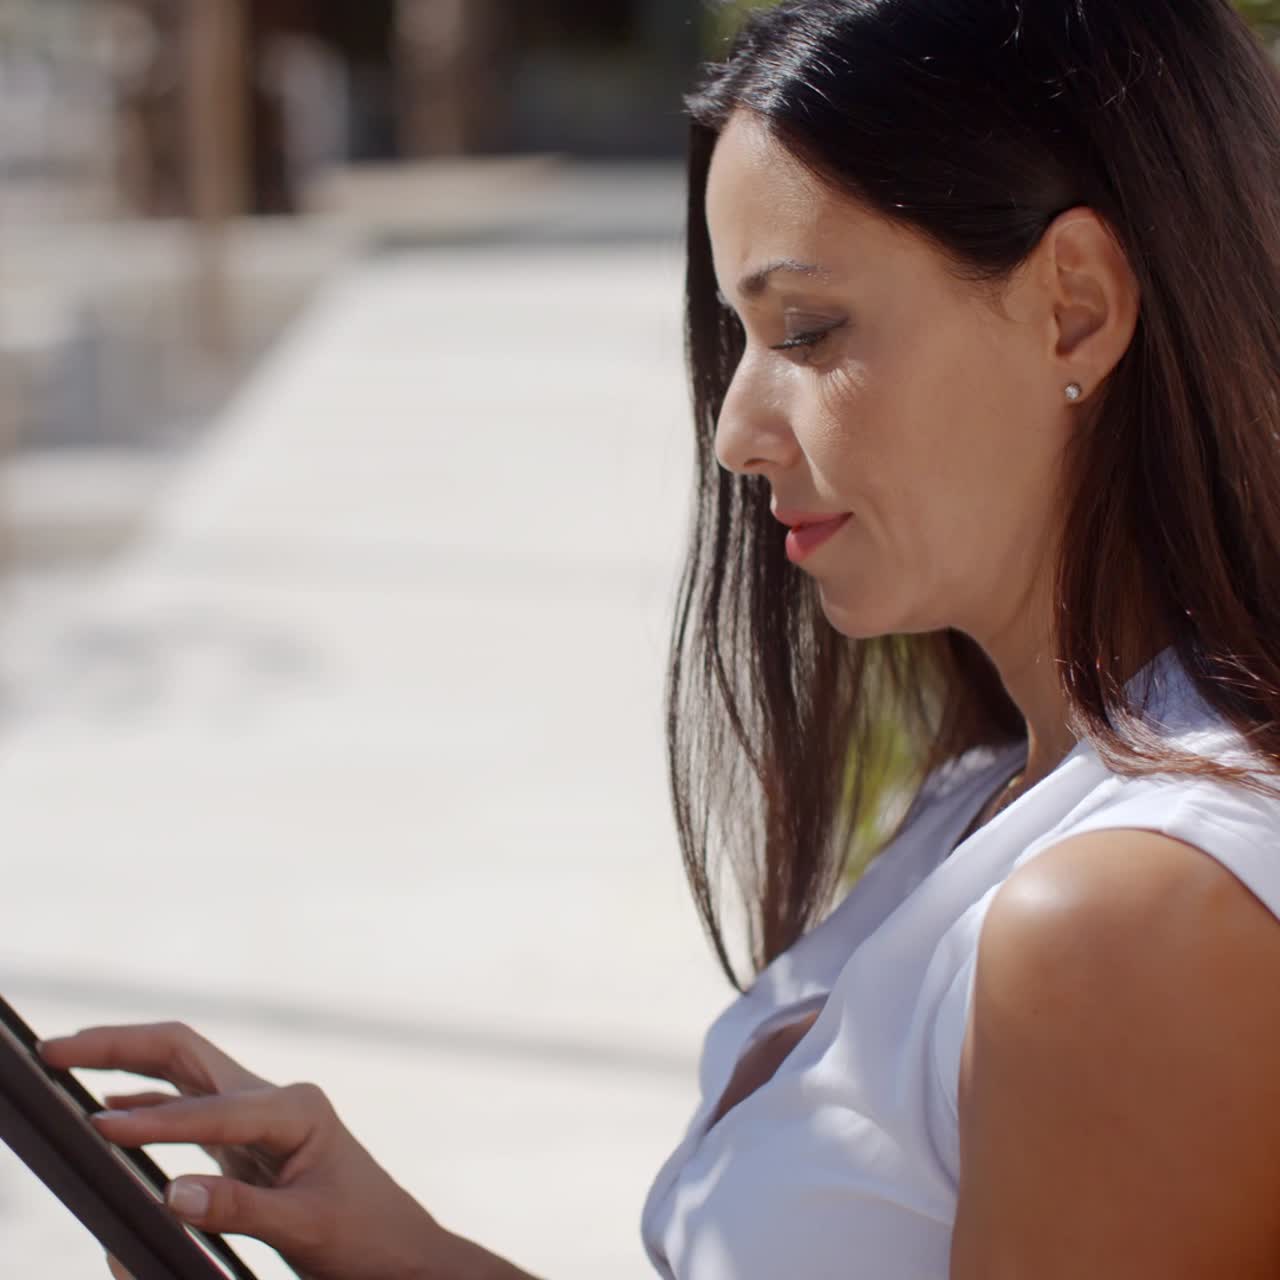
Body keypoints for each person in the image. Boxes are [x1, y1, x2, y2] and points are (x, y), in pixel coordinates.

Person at [40, 0, 1280, 1275]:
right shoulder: (991, 798)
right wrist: (404, 1254)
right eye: (741, 340)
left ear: (1071, 307)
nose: (738, 427)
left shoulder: (1126, 916)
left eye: (806, 330)